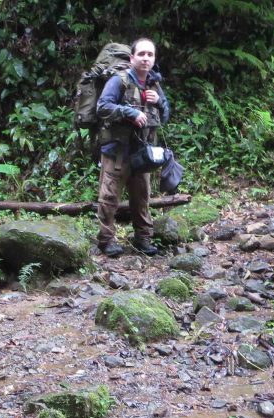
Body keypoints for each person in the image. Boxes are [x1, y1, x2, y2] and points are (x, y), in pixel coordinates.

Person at [95, 37, 170, 257]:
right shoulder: (119, 81)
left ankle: (143, 239)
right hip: (117, 151)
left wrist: (160, 102)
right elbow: (103, 106)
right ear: (132, 58)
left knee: (142, 197)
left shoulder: (154, 84)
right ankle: (106, 241)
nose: (146, 58)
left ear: (154, 59)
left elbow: (164, 117)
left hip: (142, 153)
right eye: (141, 54)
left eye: (150, 55)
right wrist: (131, 113)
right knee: (109, 198)